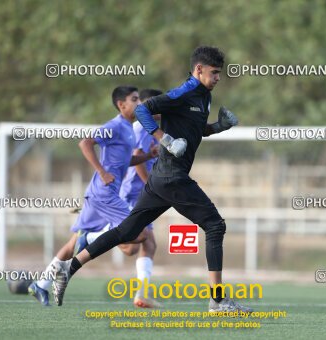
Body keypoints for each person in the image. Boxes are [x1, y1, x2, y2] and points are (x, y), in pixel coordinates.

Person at [52, 46, 253, 313]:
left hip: (162, 178)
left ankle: (68, 267)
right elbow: (143, 111)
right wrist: (163, 139)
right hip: (172, 177)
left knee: (126, 232)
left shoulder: (204, 97)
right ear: (198, 70)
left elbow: (194, 129)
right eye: (214, 73)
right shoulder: (184, 92)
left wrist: (218, 126)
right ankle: (217, 300)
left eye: (220, 74)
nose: (218, 78)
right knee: (215, 226)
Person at [28, 86, 158, 306]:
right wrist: (102, 171)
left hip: (98, 194)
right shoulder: (115, 126)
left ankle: (40, 284)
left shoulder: (127, 129)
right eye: (134, 99)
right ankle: (88, 239)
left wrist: (147, 156)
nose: (139, 104)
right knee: (141, 234)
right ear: (121, 104)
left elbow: (125, 161)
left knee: (72, 245)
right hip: (105, 194)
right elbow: (85, 142)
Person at [119, 88, 162, 307]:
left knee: (146, 245)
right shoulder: (141, 128)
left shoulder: (153, 129)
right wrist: (150, 187)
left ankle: (141, 295)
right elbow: (137, 160)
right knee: (134, 245)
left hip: (141, 196)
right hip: (131, 194)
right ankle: (101, 229)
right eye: (155, 107)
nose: (160, 111)